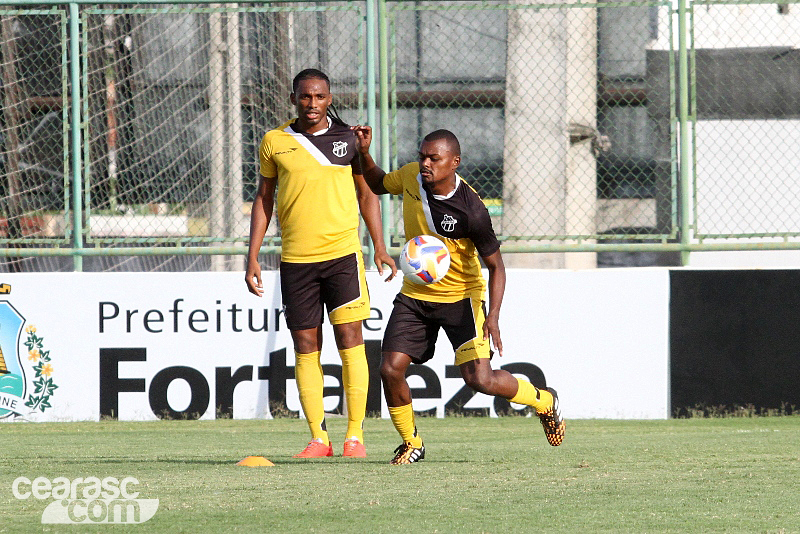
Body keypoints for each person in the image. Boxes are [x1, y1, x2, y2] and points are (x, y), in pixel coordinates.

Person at [354, 126, 565, 464]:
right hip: (415, 295)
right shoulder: (410, 176)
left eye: (434, 158)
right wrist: (364, 153)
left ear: (454, 162)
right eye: (422, 156)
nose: (425, 163)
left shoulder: (472, 210)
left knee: (480, 380)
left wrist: (493, 316)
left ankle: (543, 400)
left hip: (462, 299)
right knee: (390, 369)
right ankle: (412, 443)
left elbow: (496, 266)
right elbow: (377, 183)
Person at [246, 69, 396, 459]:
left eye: (320, 97)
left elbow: (367, 194)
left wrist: (379, 247)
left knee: (350, 339)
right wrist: (252, 256)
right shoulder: (275, 141)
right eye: (305, 96)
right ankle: (318, 439)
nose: (312, 104)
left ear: (330, 99)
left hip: (343, 256)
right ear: (293, 98)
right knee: (305, 344)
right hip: (296, 261)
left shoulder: (349, 139)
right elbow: (264, 199)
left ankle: (355, 437)